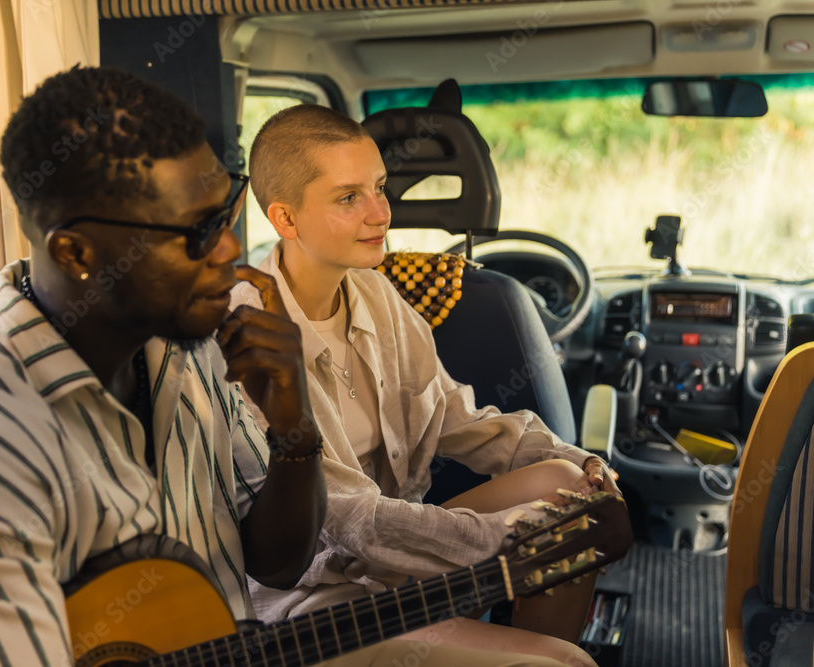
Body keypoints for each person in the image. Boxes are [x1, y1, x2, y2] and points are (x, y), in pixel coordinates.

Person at [0, 67, 570, 667]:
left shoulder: (185, 351)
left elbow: (277, 562)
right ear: (77, 253)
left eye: (223, 212)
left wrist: (294, 429)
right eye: (195, 233)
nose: (229, 250)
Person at [231, 103, 624, 666]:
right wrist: (515, 541)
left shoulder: (376, 294)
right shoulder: (251, 335)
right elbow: (350, 525)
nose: (381, 214)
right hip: (314, 596)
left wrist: (587, 468)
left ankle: (536, 642)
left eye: (380, 188)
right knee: (571, 666)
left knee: (566, 485)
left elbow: (456, 417)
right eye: (349, 198)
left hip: (394, 556)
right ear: (285, 219)